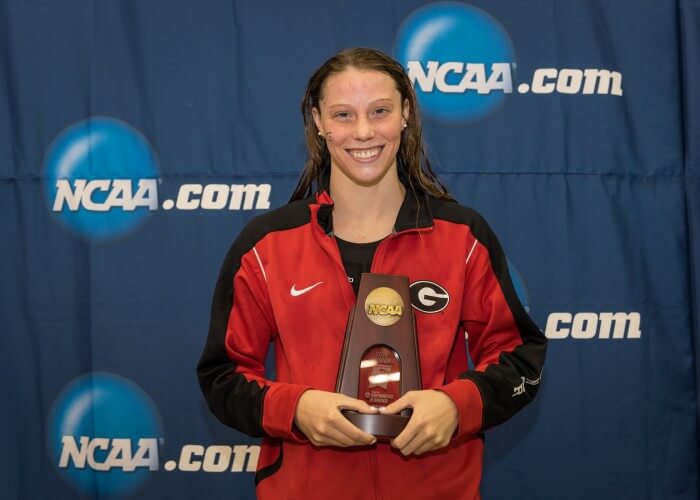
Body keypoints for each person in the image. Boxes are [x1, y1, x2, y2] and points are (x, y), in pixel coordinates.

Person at [197, 47, 547, 500]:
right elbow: (221, 377)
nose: (363, 131)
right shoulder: (267, 245)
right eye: (343, 114)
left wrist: (455, 406)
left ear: (405, 114)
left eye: (379, 111)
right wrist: (297, 409)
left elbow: (520, 357)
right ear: (319, 123)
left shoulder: (462, 237)